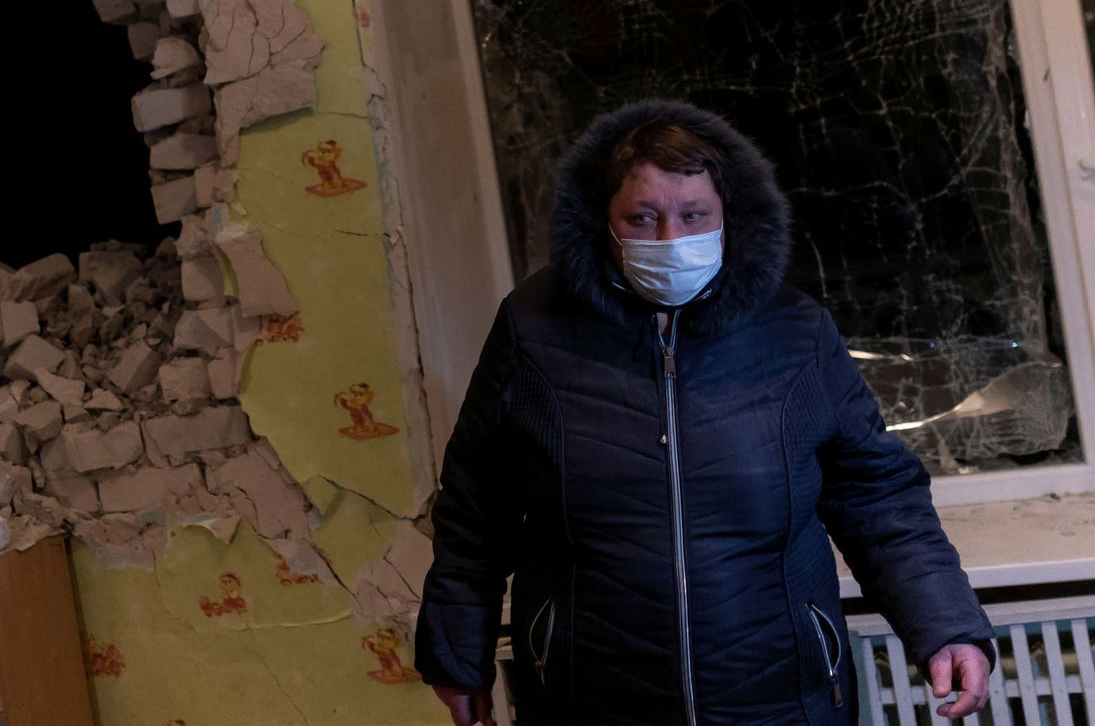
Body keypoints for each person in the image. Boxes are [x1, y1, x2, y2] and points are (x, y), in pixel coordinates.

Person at [415, 100, 994, 726]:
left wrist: (946, 625)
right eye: (642, 218)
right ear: (600, 220)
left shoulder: (795, 332)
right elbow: (475, 508)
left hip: (783, 697)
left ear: (729, 216)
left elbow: (878, 497)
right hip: (589, 699)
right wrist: (457, 656)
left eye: (694, 216)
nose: (672, 239)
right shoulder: (533, 328)